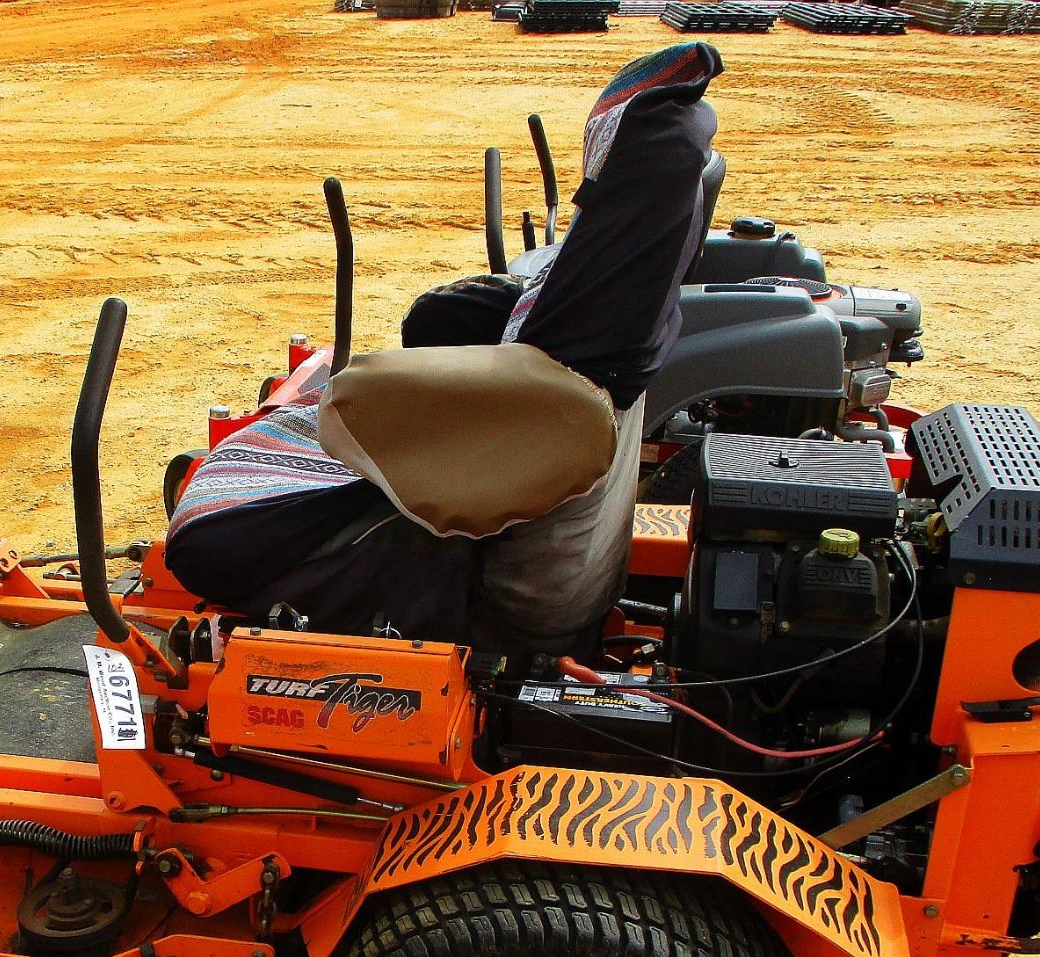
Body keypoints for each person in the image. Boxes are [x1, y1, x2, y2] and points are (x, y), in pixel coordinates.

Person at [165, 42, 724, 660]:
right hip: (546, 550)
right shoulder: (609, 312)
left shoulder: (586, 345)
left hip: (499, 599)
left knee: (202, 544)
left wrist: (356, 400)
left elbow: (517, 385)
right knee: (438, 319)